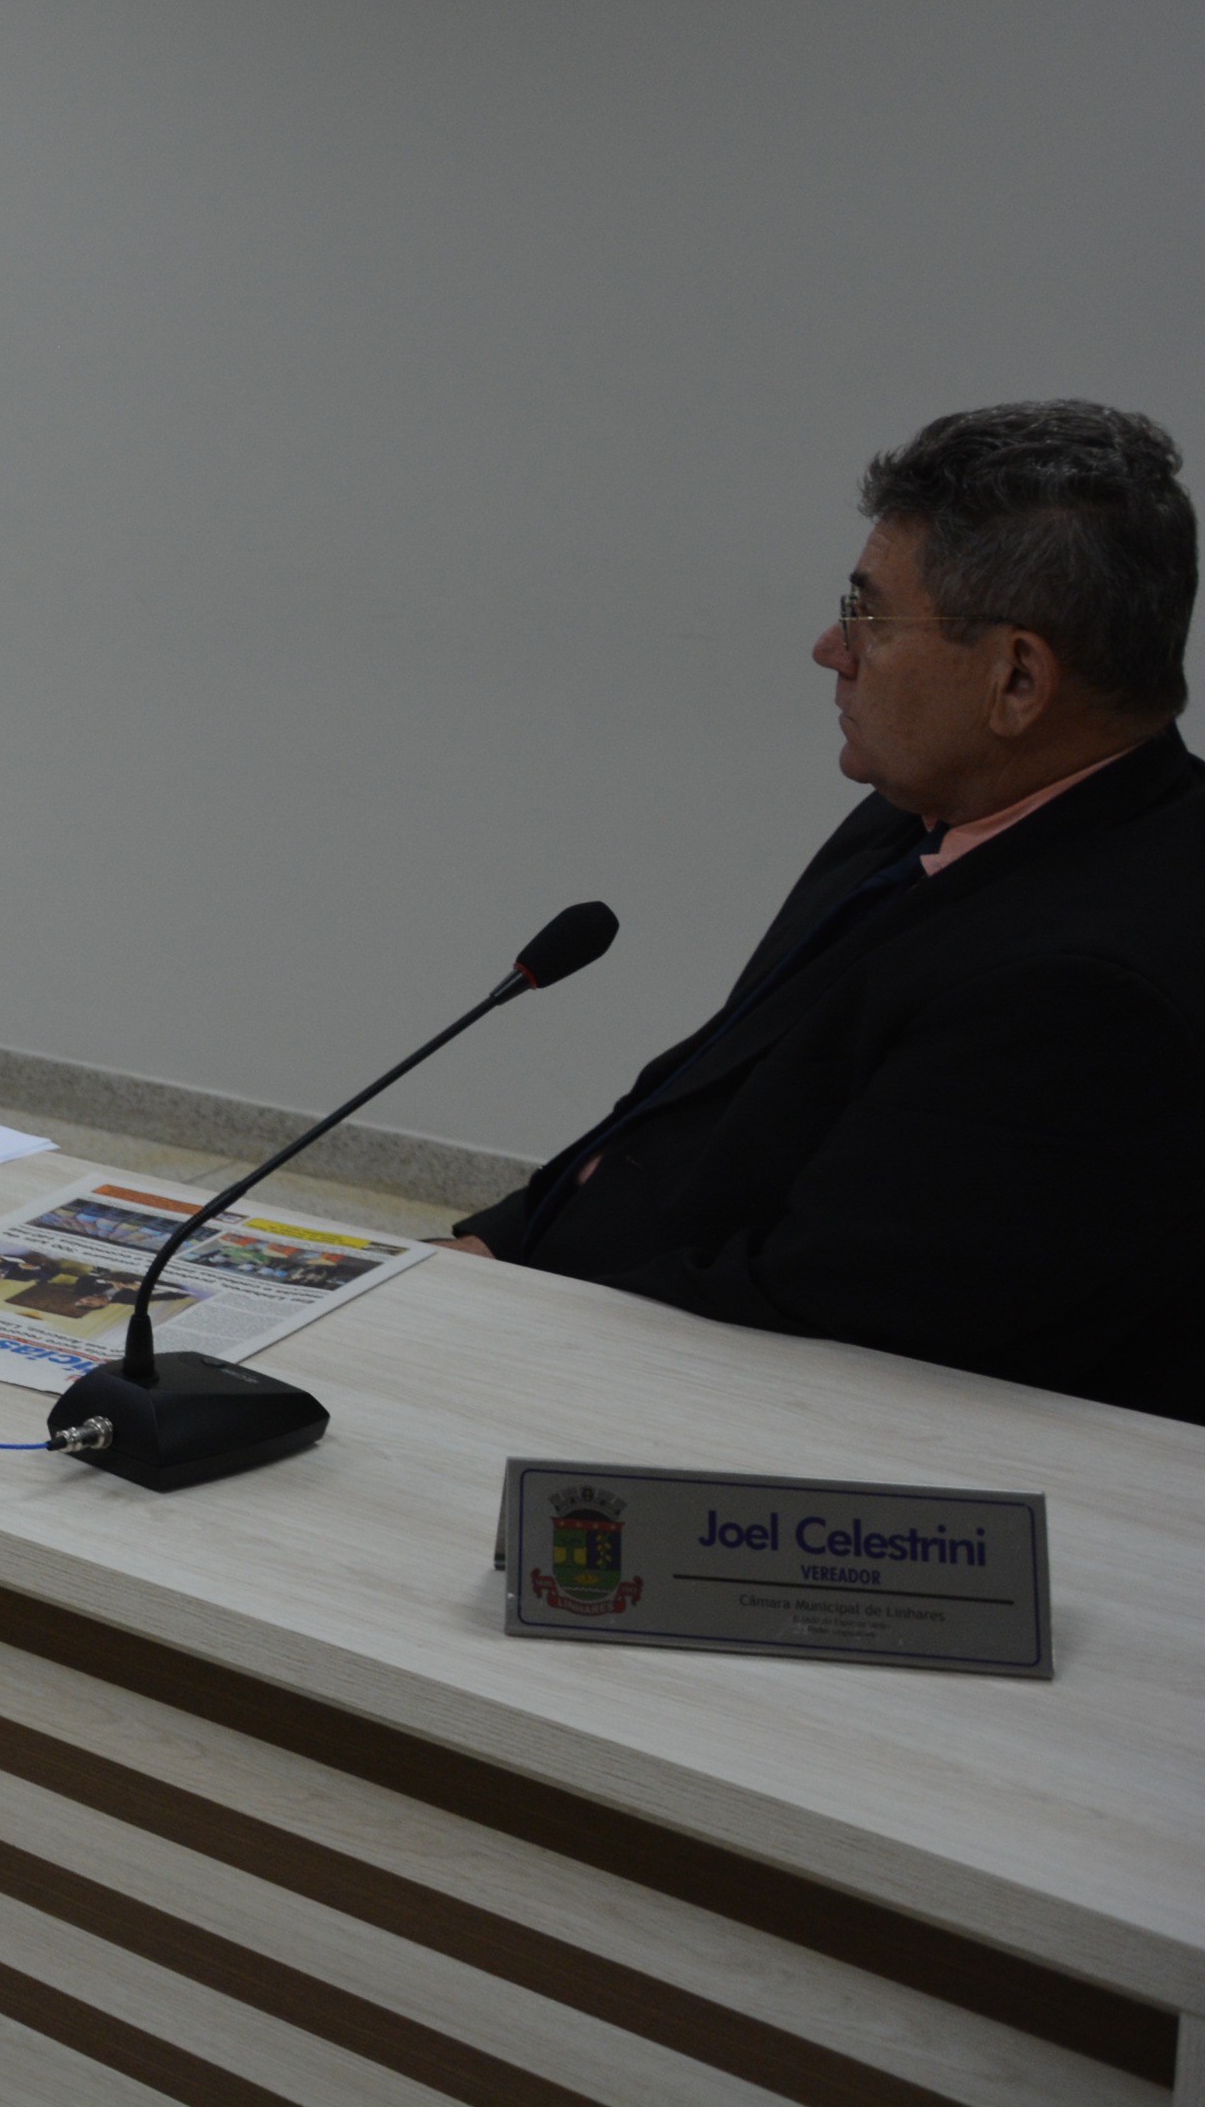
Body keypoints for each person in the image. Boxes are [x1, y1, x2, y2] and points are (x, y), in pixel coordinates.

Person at [451, 401, 1202, 1424]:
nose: (828, 649)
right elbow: (696, 1093)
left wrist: (493, 1314)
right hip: (580, 1311)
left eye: (869, 619)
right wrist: (495, 1242)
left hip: (730, 1423)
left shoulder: (1087, 990)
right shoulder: (917, 812)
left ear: (1017, 678)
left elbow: (819, 1312)